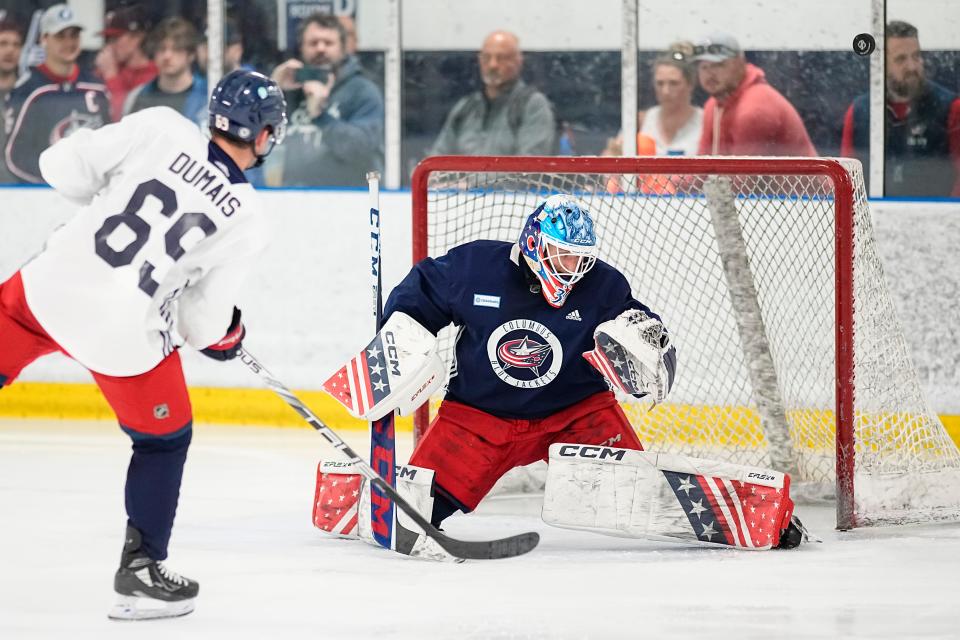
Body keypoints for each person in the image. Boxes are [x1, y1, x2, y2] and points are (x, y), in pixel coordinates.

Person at [0, 69, 287, 620]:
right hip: (123, 334)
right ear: (264, 135)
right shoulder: (249, 219)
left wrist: (104, 194)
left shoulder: (161, 126)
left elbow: (56, 164)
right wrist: (228, 333)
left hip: (49, 290)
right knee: (163, 439)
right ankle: (139, 573)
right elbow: (201, 325)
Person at [840, 21, 960, 197]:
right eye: (901, 59)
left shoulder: (951, 108)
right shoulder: (859, 112)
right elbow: (846, 182)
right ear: (881, 65)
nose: (912, 66)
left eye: (916, 56)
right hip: (872, 218)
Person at [269, 12, 383, 186]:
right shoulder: (287, 90)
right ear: (301, 47)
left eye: (328, 43)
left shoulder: (362, 91)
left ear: (343, 49)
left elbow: (362, 150)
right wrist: (271, 87)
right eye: (313, 43)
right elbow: (253, 138)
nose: (320, 48)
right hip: (290, 200)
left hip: (347, 202)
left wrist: (320, 115)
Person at [4, 4, 110, 184]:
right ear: (44, 39)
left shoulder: (97, 87)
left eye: (74, 35)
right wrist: (54, 184)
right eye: (60, 36)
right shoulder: (27, 90)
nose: (69, 43)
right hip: (41, 194)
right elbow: (15, 157)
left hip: (91, 193)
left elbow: (109, 145)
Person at [428, 30, 556, 157]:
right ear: (480, 61)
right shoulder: (465, 108)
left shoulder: (533, 105)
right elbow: (436, 159)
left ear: (518, 62)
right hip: (461, 178)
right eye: (487, 57)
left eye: (501, 58)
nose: (493, 65)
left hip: (510, 179)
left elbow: (529, 166)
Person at [693, 32, 816, 157]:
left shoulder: (754, 109)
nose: (710, 74)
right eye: (703, 67)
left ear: (740, 63)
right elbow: (698, 169)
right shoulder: (713, 106)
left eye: (719, 65)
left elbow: (745, 175)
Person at [124, 17, 207, 126]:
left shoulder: (207, 95)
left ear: (191, 54)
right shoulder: (137, 96)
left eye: (176, 49)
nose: (167, 56)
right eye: (161, 49)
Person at [94, 4, 156, 122]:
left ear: (137, 37)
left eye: (115, 39)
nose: (110, 46)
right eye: (108, 40)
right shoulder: (107, 66)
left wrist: (111, 76)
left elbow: (123, 119)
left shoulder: (153, 74)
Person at [0, 16, 23, 183]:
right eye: (3, 44)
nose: (10, 51)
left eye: (16, 45)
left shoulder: (30, 92)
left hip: (27, 188)